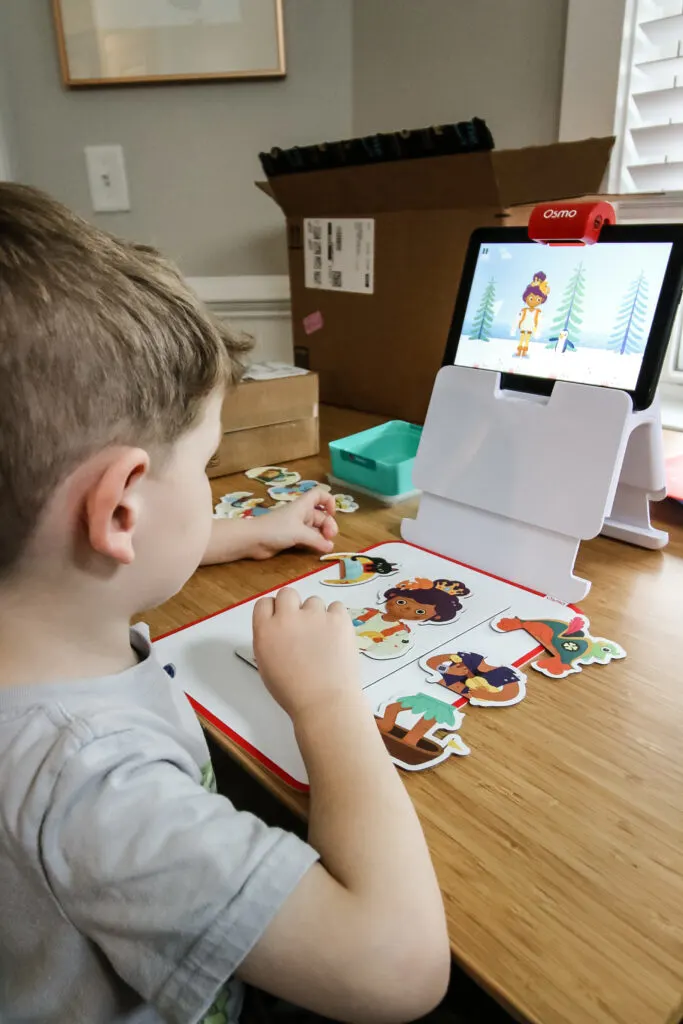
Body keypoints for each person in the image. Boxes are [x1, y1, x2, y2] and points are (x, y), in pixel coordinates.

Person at [0, 184, 449, 1024]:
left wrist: (234, 535)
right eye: (205, 468)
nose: (210, 491)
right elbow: (398, 969)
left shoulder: (36, 614)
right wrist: (325, 701)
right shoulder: (93, 787)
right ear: (121, 511)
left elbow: (73, 546)